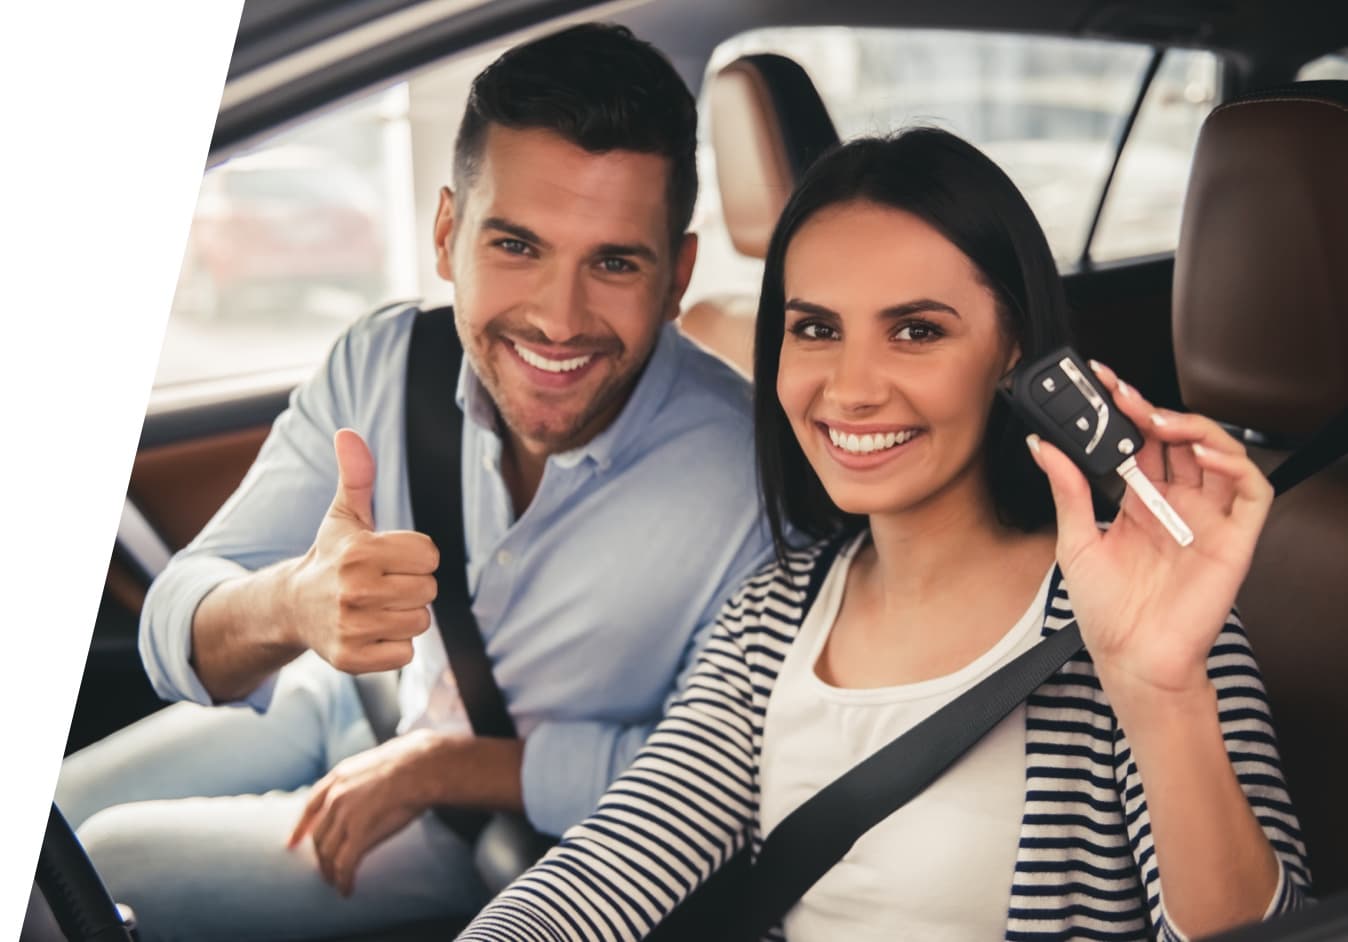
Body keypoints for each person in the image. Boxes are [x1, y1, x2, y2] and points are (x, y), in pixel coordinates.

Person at [456, 128, 1311, 941]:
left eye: (916, 331)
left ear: (1014, 352)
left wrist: (1161, 694)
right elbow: (615, 860)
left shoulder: (1139, 616)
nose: (851, 389)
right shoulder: (772, 614)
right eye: (817, 329)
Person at [50, 23, 772, 941]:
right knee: (47, 818)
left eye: (615, 263)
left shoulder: (746, 481)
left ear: (677, 277)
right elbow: (177, 624)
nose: (559, 318)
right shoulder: (386, 365)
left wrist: (449, 769)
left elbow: (717, 783)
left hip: (479, 830)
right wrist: (291, 607)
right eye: (517, 246)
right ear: (446, 234)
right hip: (342, 700)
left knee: (101, 865)